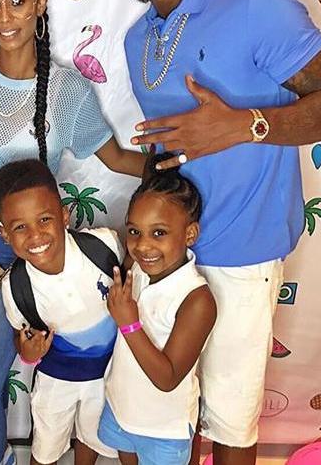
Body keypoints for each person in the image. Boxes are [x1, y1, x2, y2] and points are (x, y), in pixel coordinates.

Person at [99, 0, 321, 463]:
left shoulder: (255, 3)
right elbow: (171, 152)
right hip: (165, 256)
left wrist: (243, 126)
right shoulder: (137, 40)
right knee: (162, 411)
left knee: (228, 423)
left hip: (241, 255)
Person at [0, 0, 146, 465]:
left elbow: (116, 159)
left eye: (17, 1)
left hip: (24, 255)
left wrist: (179, 165)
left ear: (41, 4)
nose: (4, 17)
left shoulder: (67, 91)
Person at [0, 159, 124, 465]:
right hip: (55, 382)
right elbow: (22, 336)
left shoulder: (104, 246)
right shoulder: (16, 287)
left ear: (64, 215)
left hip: (107, 376)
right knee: (45, 448)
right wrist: (28, 352)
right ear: (5, 234)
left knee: (92, 437)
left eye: (44, 219)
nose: (35, 235)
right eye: (20, 227)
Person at [99, 154, 216, 465]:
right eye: (134, 231)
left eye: (159, 233)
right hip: (121, 407)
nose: (142, 245)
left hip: (164, 429)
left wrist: (129, 324)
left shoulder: (196, 299)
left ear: (190, 234)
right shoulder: (137, 268)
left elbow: (168, 378)